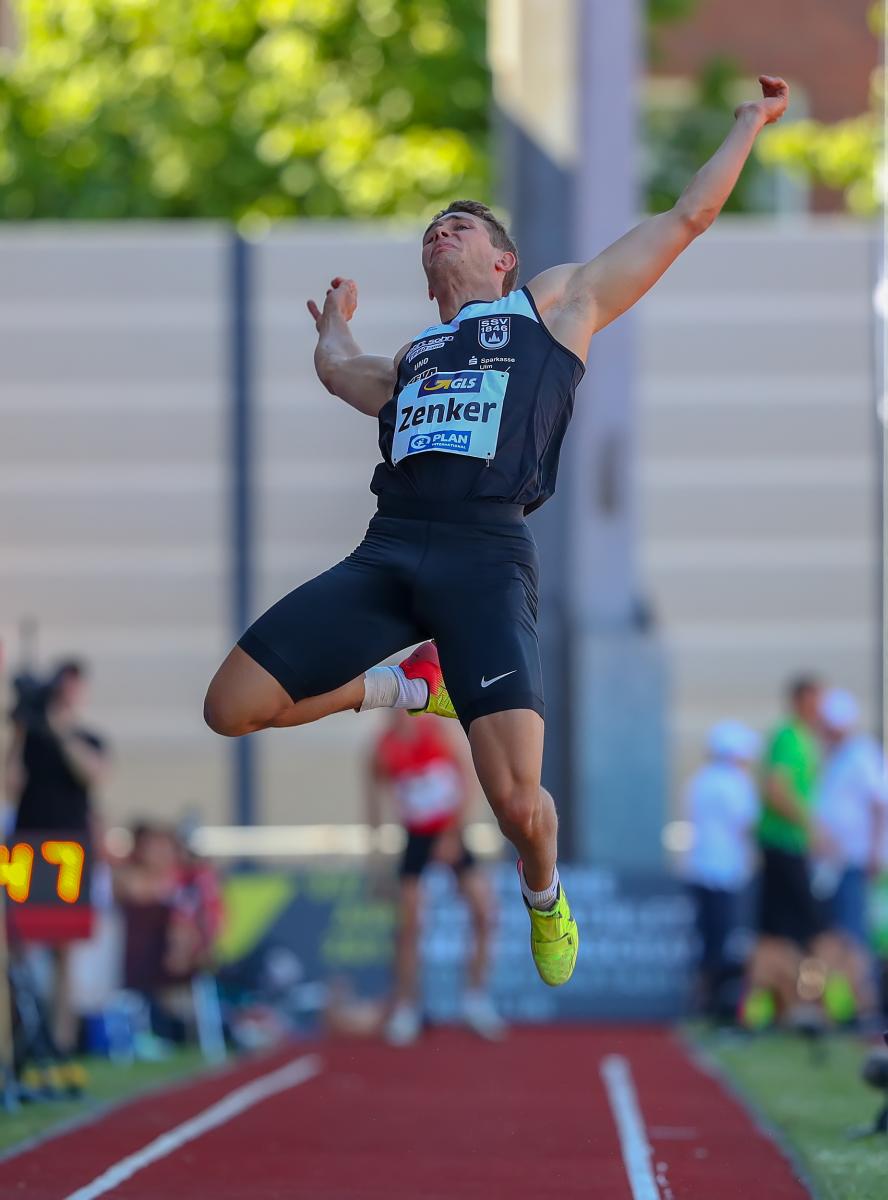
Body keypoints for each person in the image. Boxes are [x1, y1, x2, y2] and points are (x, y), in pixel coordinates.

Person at [204, 76, 791, 987]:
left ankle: (545, 893)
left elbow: (688, 217)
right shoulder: (414, 358)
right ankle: (409, 686)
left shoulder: (553, 309)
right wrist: (333, 326)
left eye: (463, 225)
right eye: (433, 228)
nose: (442, 229)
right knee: (231, 708)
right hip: (389, 548)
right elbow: (341, 371)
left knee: (518, 804)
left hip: (484, 558)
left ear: (505, 261)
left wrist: (749, 122)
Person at [368, 707, 504, 1045]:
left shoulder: (438, 733)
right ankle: (406, 1007)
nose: (400, 716)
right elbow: (375, 805)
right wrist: (378, 861)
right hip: (416, 837)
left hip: (450, 830)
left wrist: (452, 832)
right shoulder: (382, 749)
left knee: (483, 911)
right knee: (410, 922)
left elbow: (467, 780)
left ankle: (475, 1000)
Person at [4, 660, 108, 1059]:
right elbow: (9, 786)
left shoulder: (86, 738)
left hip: (69, 851)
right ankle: (20, 1037)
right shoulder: (28, 739)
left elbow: (93, 774)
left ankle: (61, 1044)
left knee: (65, 951)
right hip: (25, 849)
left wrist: (61, 731)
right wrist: (20, 732)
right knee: (18, 947)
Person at [813, 687, 887, 1017]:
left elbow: (879, 804)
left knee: (853, 933)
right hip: (834, 862)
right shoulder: (837, 757)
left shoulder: (861, 754)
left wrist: (874, 851)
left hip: (854, 859)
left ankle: (863, 1004)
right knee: (839, 933)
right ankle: (845, 1003)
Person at [683, 721, 760, 1019]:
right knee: (724, 940)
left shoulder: (700, 780)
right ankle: (718, 1003)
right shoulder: (735, 783)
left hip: (700, 868)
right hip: (726, 872)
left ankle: (703, 999)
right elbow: (748, 824)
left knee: (706, 938)